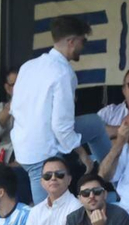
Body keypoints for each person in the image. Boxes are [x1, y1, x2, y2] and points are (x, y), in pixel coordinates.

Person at [11, 15, 91, 203]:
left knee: (95, 123)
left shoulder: (28, 66)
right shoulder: (63, 72)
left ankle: (111, 175)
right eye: (83, 41)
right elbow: (61, 125)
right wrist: (83, 154)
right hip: (42, 153)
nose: (84, 46)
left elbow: (15, 108)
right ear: (71, 42)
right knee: (48, 216)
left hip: (23, 147)